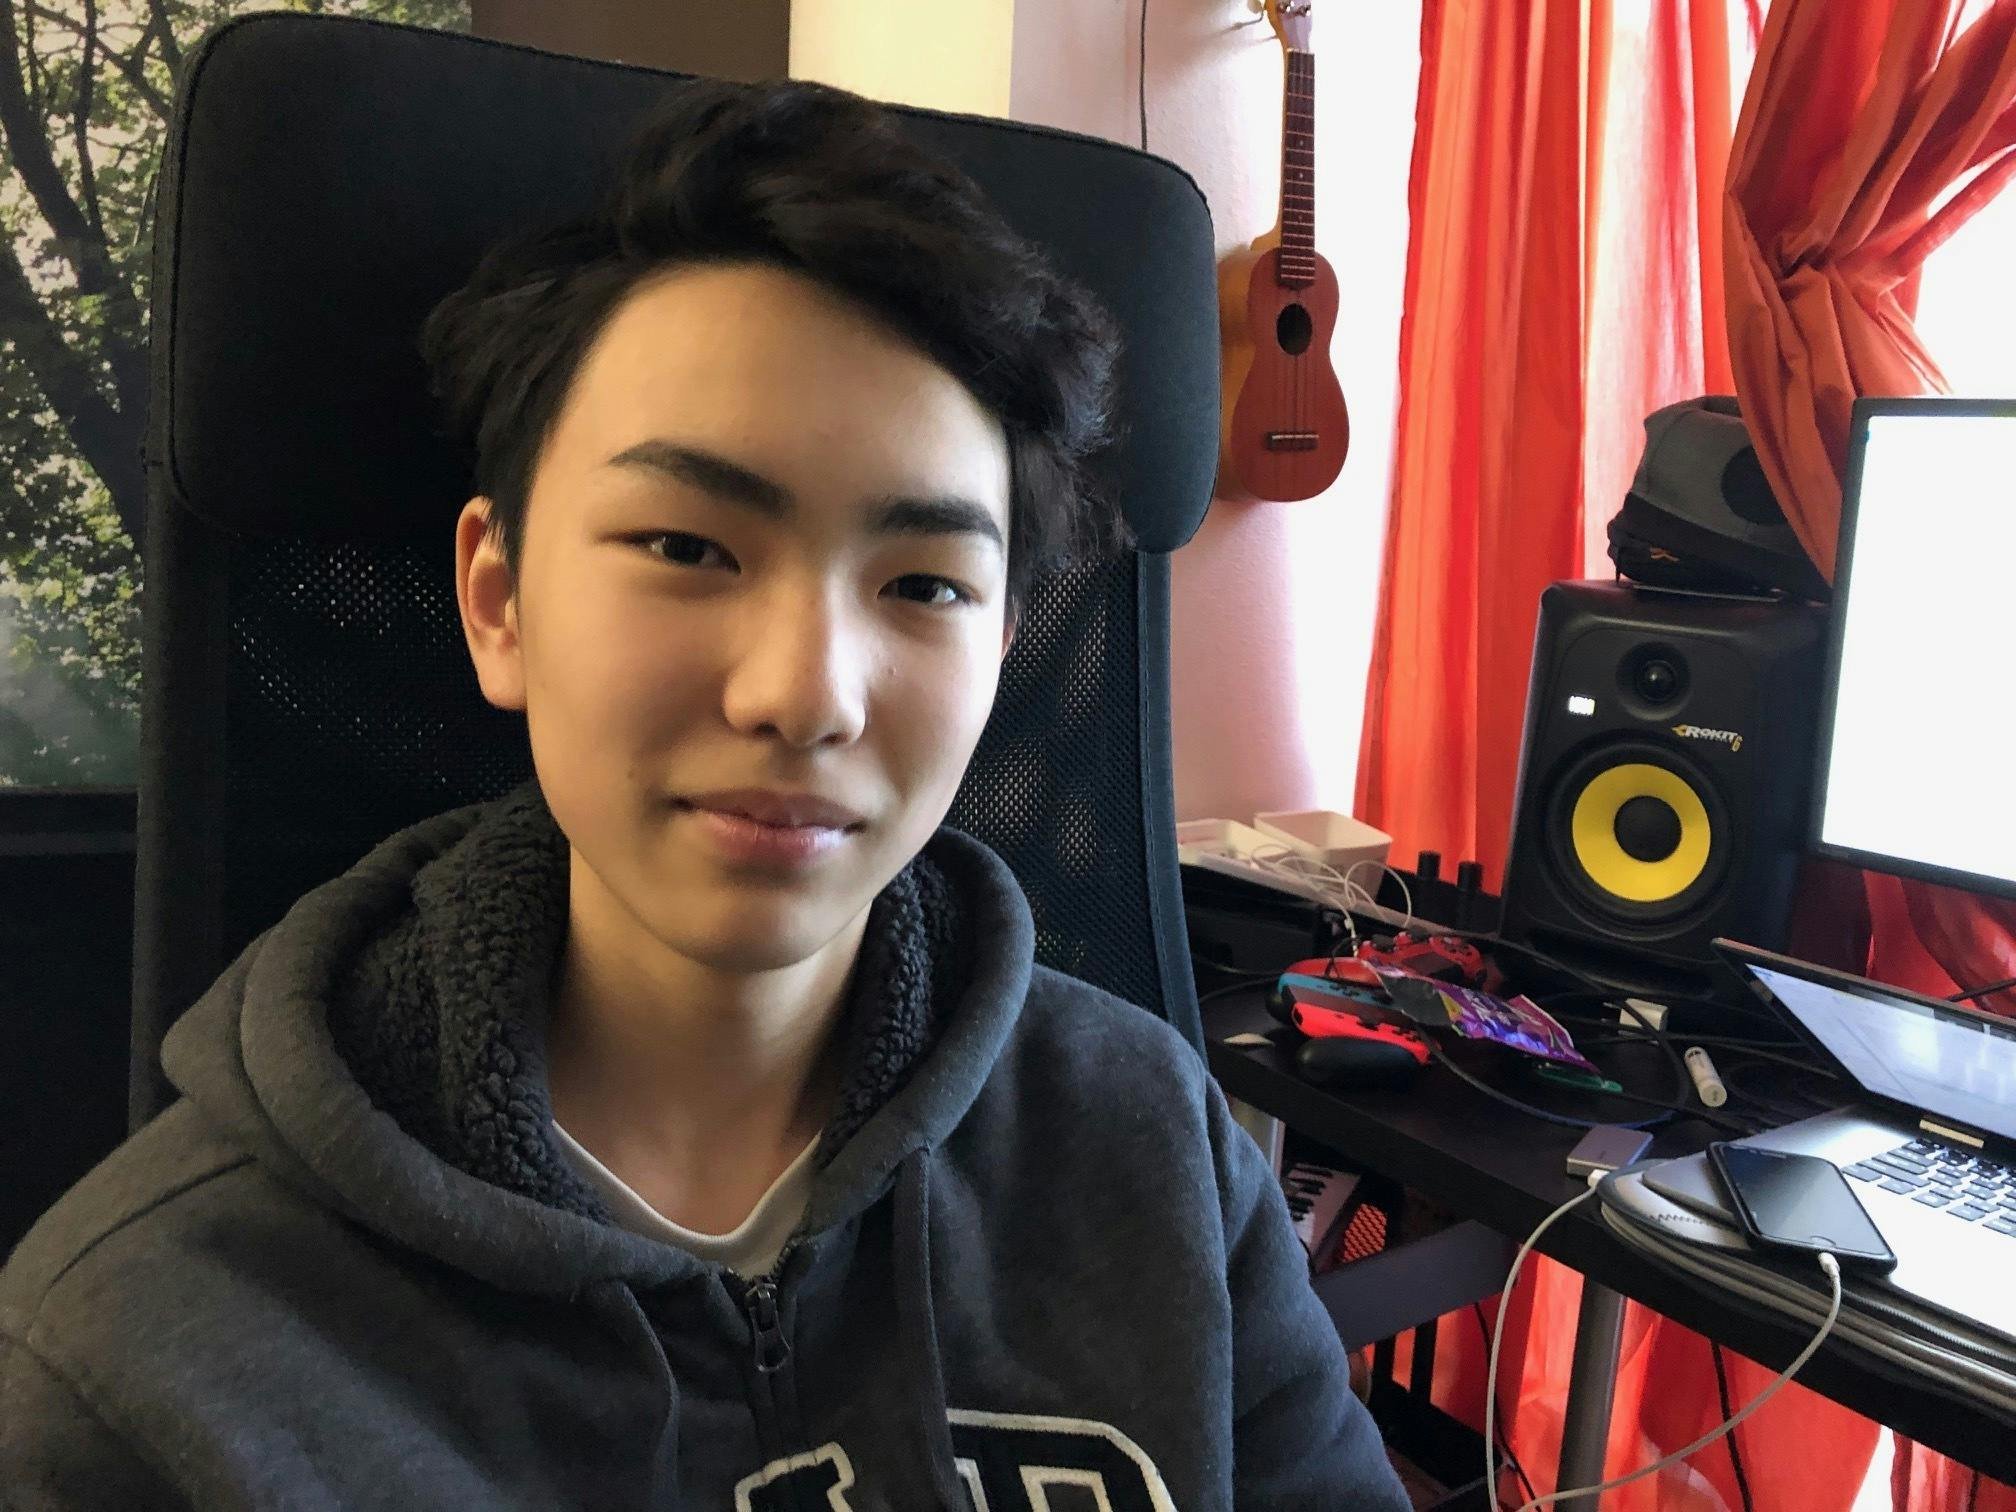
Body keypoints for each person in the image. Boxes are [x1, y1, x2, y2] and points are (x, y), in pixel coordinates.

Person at [0, 74, 1410, 1511]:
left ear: (1003, 650)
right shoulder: (141, 1360)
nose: (805, 694)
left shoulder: (1156, 1156)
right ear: (498, 600)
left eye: (925, 585)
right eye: (688, 548)